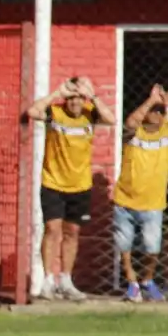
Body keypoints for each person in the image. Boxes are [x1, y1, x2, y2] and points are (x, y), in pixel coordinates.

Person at [26, 76, 116, 300]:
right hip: (53, 183)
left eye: (79, 98)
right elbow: (32, 112)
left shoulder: (90, 113)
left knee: (72, 232)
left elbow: (112, 119)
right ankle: (48, 281)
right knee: (52, 229)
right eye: (71, 98)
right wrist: (57, 93)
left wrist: (93, 96)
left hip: (80, 185)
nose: (75, 103)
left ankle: (66, 280)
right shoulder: (55, 113)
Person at [112, 85, 168, 302]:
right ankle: (132, 283)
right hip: (125, 199)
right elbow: (130, 122)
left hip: (153, 202)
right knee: (123, 244)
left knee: (152, 246)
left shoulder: (166, 133)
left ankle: (147, 279)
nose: (156, 115)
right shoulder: (134, 133)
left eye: (160, 112)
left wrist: (165, 103)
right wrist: (151, 100)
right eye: (152, 111)